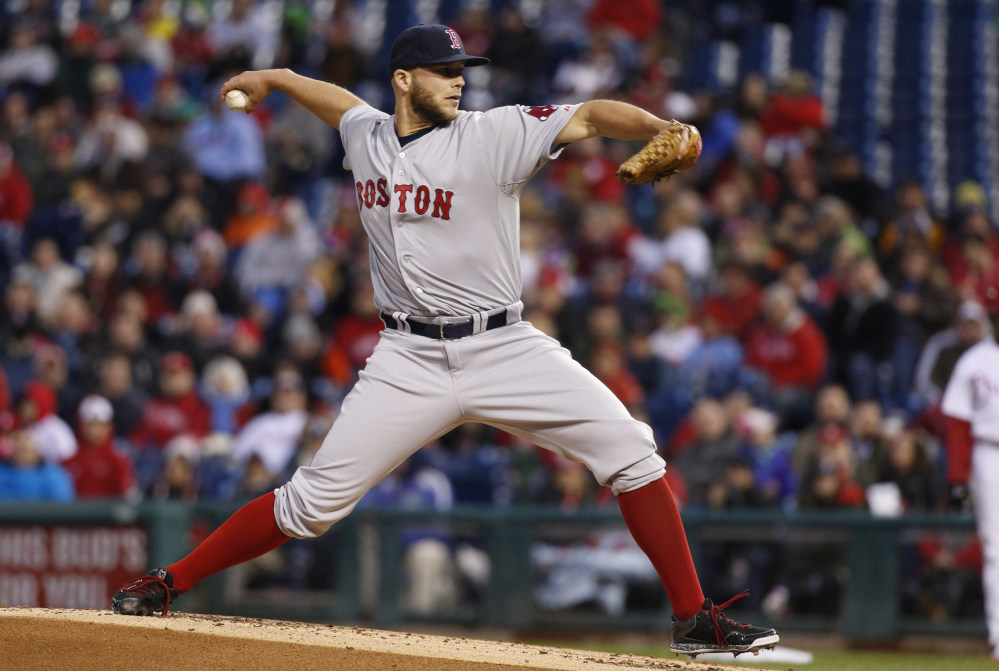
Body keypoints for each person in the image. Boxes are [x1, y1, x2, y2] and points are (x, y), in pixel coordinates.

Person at [110, 23, 778, 657]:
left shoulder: (494, 133)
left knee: (632, 452)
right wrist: (276, 76)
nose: (458, 83)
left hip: (503, 344)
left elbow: (594, 114)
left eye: (462, 71)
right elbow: (339, 104)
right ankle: (167, 583)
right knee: (309, 505)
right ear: (403, 79)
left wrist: (661, 127)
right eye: (444, 72)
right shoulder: (366, 134)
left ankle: (694, 619)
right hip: (407, 358)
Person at [941, 310, 999, 661]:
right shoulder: (974, 360)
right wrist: (958, 477)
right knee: (996, 548)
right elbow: (958, 423)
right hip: (989, 452)